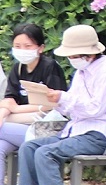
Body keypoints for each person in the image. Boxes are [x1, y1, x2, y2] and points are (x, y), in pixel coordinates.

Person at [0, 25, 106, 185]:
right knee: (29, 146)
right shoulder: (82, 74)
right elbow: (69, 109)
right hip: (76, 130)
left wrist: (63, 98)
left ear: (87, 54)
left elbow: (95, 109)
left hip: (99, 134)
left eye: (73, 55)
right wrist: (54, 100)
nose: (71, 60)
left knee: (45, 152)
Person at [0, 22, 67, 168]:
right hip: (20, 124)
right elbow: (9, 100)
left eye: (28, 46)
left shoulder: (50, 67)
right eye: (17, 46)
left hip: (45, 127)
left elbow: (54, 104)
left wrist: (16, 109)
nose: (22, 50)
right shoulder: (17, 68)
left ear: (41, 48)